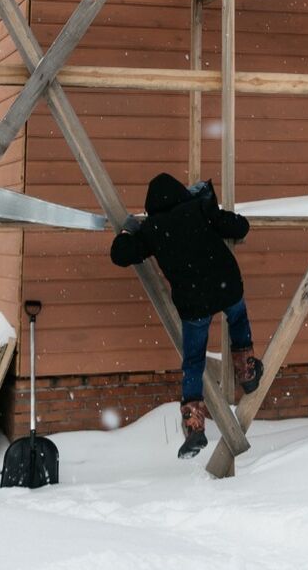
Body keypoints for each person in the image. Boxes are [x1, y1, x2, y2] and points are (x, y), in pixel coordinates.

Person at [108, 173, 263, 458]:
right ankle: (247, 371)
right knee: (238, 319)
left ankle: (194, 426)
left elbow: (119, 255)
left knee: (193, 362)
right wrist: (220, 214)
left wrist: (129, 231)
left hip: (194, 304)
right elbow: (240, 227)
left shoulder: (152, 229)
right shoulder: (199, 209)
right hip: (225, 285)